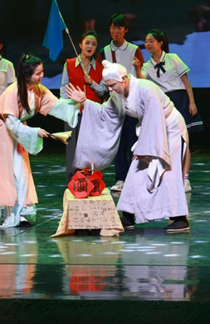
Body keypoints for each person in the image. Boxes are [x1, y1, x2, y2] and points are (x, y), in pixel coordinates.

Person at [0, 55, 81, 228]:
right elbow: (11, 123)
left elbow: (56, 106)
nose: (42, 76)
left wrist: (75, 103)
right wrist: (35, 132)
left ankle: (20, 214)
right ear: (26, 75)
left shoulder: (38, 90)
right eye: (38, 73)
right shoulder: (12, 92)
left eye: (42, 72)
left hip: (17, 132)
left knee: (20, 171)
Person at [70, 61, 191, 233]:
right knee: (136, 170)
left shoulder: (147, 89)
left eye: (112, 85)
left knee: (168, 172)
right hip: (150, 132)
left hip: (169, 129)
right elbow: (105, 113)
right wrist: (84, 101)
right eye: (108, 86)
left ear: (124, 79)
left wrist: (145, 148)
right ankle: (128, 216)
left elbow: (155, 118)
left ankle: (180, 218)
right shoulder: (118, 94)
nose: (110, 89)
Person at [141, 29, 202, 191]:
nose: (147, 44)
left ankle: (185, 178)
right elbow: (141, 82)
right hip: (164, 104)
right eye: (146, 41)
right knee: (166, 142)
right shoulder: (146, 66)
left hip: (181, 100)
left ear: (160, 43)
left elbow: (186, 81)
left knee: (184, 142)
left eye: (151, 41)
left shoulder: (173, 58)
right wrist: (135, 67)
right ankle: (169, 177)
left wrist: (192, 102)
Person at [96, 13, 144, 193]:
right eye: (113, 28)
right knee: (118, 143)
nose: (115, 31)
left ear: (126, 30)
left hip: (132, 100)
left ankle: (135, 177)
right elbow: (101, 80)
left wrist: (138, 69)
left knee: (133, 140)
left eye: (119, 28)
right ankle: (120, 178)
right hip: (114, 103)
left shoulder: (134, 49)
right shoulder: (104, 52)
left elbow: (141, 75)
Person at [61, 30, 107, 182]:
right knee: (72, 148)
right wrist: (65, 109)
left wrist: (91, 83)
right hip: (73, 112)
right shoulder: (69, 64)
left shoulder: (100, 68)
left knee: (91, 148)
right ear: (80, 45)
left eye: (93, 44)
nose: (90, 46)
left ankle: (91, 179)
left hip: (92, 114)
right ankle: (72, 181)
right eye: (87, 43)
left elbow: (102, 91)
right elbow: (64, 89)